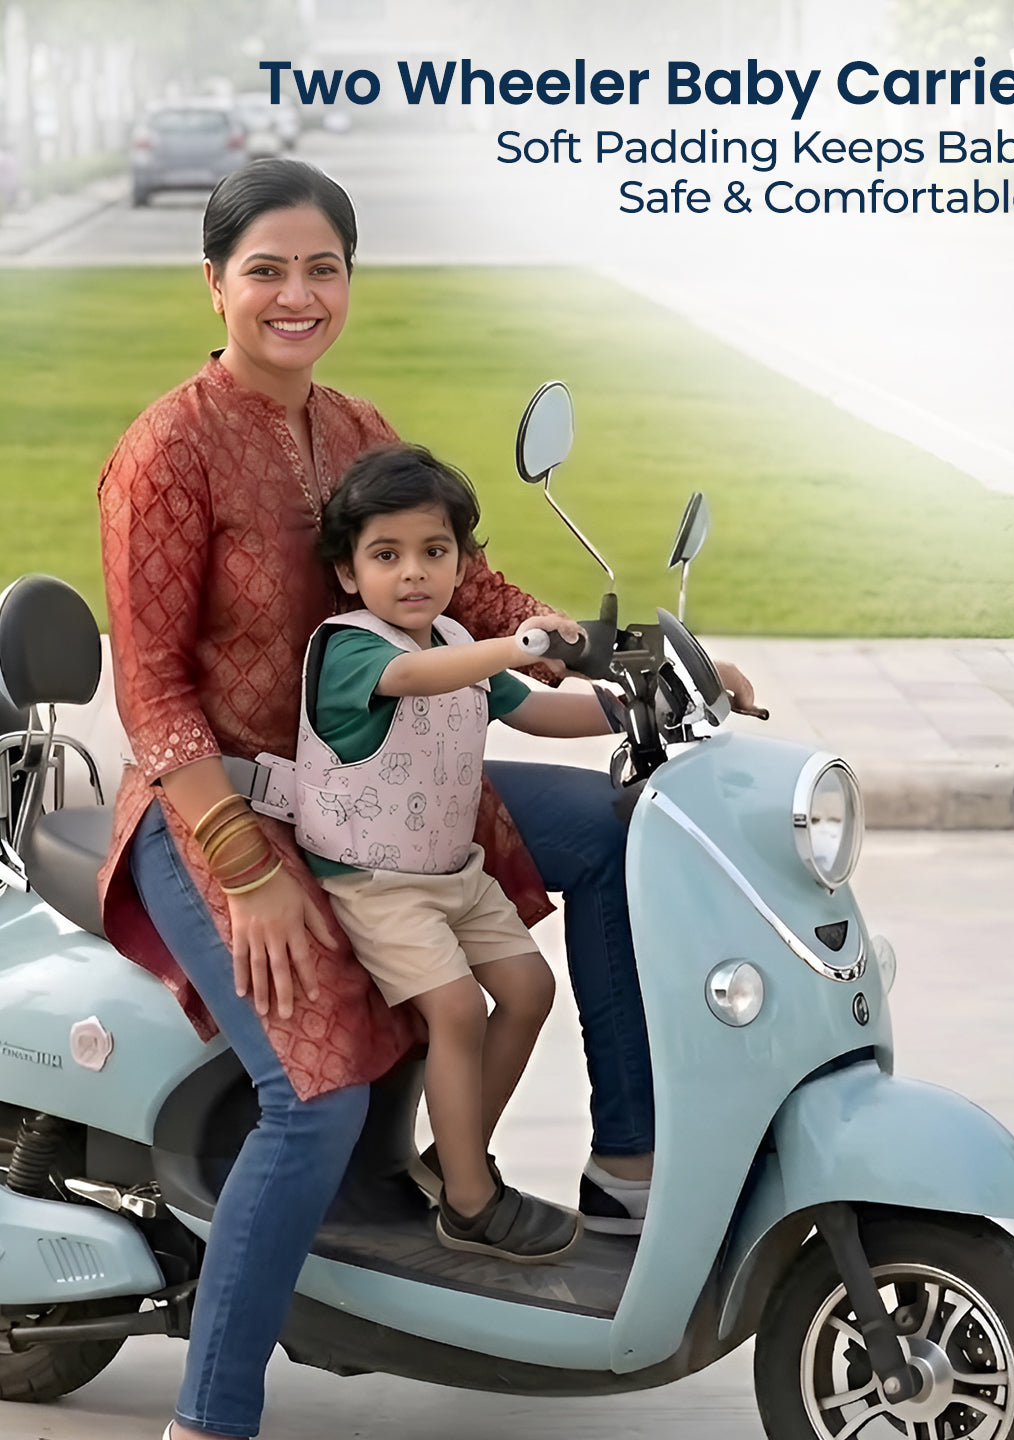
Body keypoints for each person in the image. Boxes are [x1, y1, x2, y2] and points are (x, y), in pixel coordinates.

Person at [97, 156, 755, 1440]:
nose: (297, 295)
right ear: (215, 284)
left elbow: (478, 592)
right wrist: (244, 867)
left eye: (322, 268)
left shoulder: (351, 425)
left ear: (349, 279)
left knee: (623, 835)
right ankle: (210, 1416)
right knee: (316, 1089)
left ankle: (625, 1170)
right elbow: (154, 690)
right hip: (215, 803)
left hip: (385, 787)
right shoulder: (162, 454)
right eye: (267, 271)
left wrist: (631, 658)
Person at [295, 442, 617, 1262]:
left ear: (460, 561)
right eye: (386, 555)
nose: (413, 573)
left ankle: (453, 1159)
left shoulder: (455, 638)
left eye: (434, 552)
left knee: (530, 989)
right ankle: (472, 1202)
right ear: (347, 572)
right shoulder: (352, 649)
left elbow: (540, 716)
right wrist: (519, 644)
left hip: (452, 873)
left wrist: (647, 702)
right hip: (376, 883)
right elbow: (425, 677)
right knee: (459, 1010)